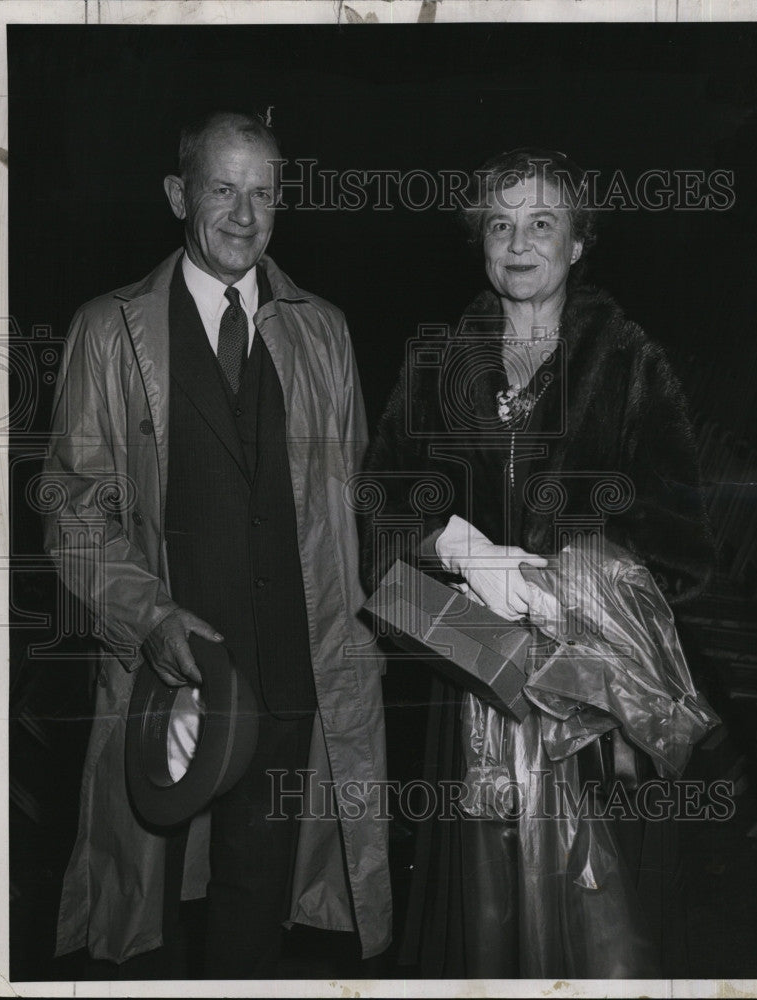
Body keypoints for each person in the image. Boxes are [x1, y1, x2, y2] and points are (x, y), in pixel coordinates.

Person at [43, 110, 390, 979]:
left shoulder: (325, 332)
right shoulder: (106, 330)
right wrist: (148, 618)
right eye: (223, 190)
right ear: (178, 196)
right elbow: (73, 512)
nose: (244, 214)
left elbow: (347, 506)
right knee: (149, 919)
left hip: (287, 683)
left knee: (252, 923)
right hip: (169, 683)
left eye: (264, 194)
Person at [360, 147, 715, 978]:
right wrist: (463, 549)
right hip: (473, 680)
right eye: (500, 223)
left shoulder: (629, 363)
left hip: (593, 703)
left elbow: (681, 547)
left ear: (580, 242)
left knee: (598, 923)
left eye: (542, 223)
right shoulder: (440, 359)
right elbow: (379, 497)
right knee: (485, 927)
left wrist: (571, 587)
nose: (518, 245)